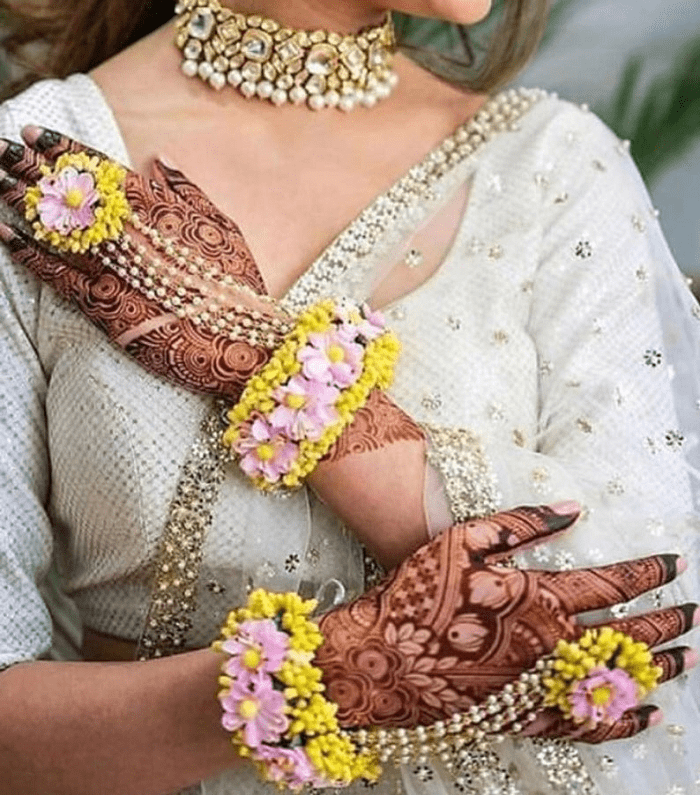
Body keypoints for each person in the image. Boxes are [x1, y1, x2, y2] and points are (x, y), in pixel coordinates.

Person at [0, 1, 698, 794]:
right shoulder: (42, 178)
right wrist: (322, 682)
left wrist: (272, 366)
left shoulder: (554, 162)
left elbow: (655, 619)